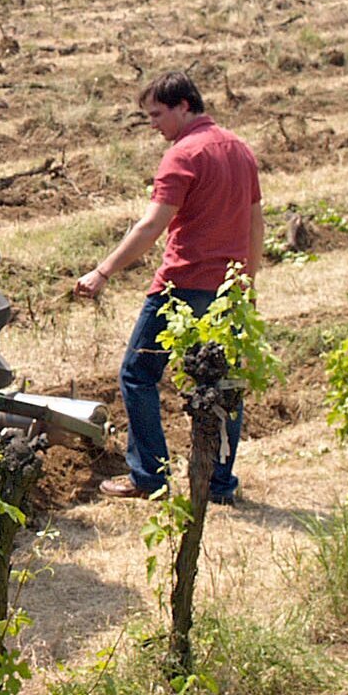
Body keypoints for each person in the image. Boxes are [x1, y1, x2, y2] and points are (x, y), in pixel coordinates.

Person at [74, 71, 263, 503]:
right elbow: (255, 223)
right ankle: (219, 485)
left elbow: (151, 226)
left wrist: (102, 272)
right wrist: (247, 285)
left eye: (157, 115)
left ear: (184, 106)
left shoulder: (183, 155)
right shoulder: (239, 148)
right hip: (228, 291)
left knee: (137, 376)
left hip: (181, 287)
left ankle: (149, 476)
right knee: (224, 385)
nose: (154, 125)